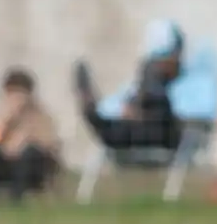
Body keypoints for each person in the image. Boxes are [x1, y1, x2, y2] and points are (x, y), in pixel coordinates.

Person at [73, 20, 185, 153]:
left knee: (119, 125)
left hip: (161, 133)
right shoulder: (150, 77)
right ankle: (92, 110)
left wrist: (138, 113)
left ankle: (92, 110)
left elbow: (174, 114)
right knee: (113, 121)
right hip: (138, 126)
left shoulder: (181, 82)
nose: (157, 63)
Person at [0, 68, 61, 204]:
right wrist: (7, 120)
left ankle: (17, 198)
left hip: (31, 164)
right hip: (5, 161)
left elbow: (49, 144)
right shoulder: (1, 114)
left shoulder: (40, 115)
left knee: (30, 154)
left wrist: (26, 138)